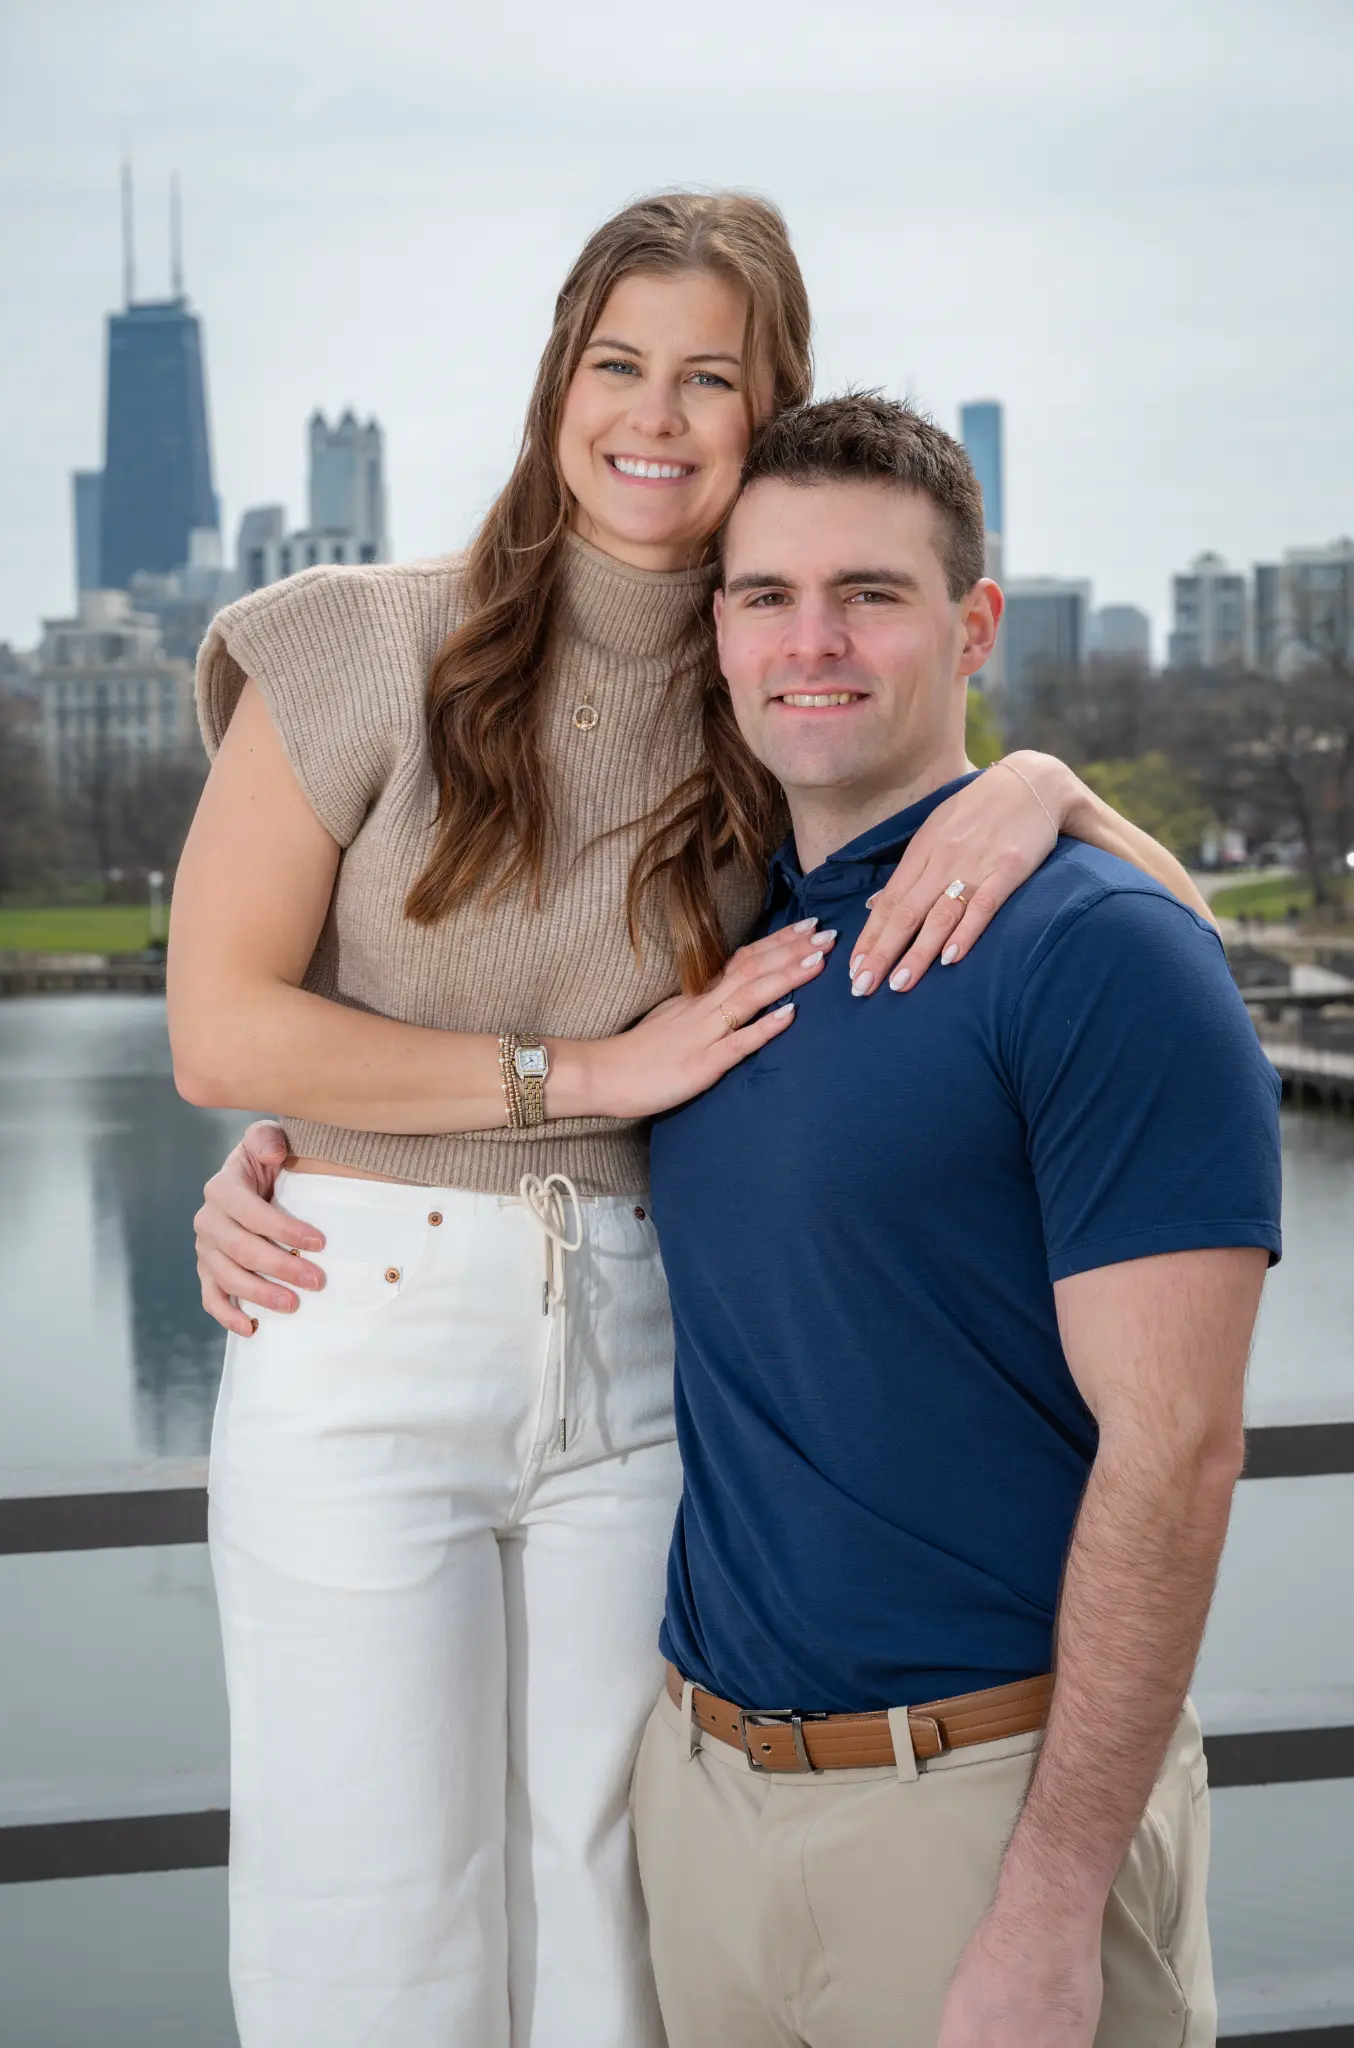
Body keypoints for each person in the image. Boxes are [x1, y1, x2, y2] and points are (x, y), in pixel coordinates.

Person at [171, 191, 1219, 2048]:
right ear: (556, 382)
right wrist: (561, 1083)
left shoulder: (765, 688)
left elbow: (1166, 950)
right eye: (616, 363)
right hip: (368, 1310)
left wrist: (1041, 785)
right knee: (373, 1929)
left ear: (768, 408)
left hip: (649, 1344)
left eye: (710, 378)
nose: (653, 415)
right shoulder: (353, 640)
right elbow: (217, 1028)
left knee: (615, 1925)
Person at [631, 394, 1282, 2048]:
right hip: (701, 1806)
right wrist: (276, 1163)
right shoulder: (715, 941)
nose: (811, 641)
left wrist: (1049, 1907)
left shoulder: (1093, 945)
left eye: (870, 594)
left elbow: (1178, 1452)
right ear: (717, 633)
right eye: (766, 596)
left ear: (973, 625)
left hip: (981, 1813)